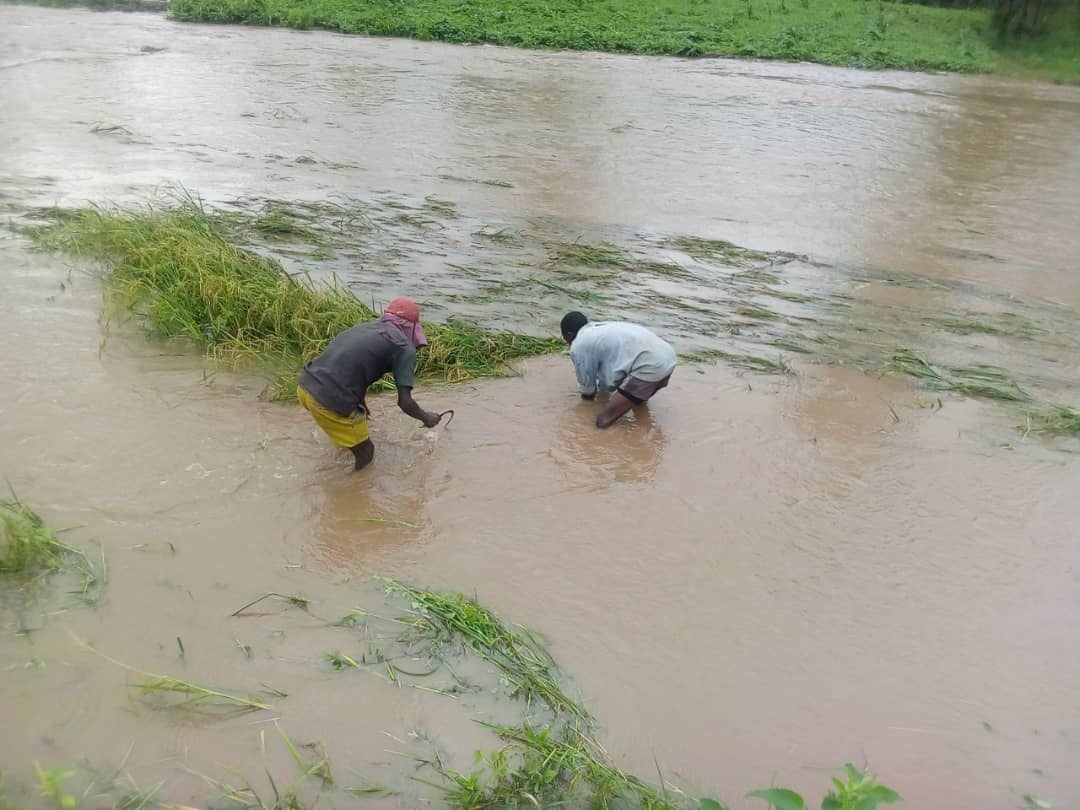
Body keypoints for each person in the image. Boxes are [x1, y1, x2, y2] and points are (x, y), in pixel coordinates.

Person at [298, 297, 443, 471]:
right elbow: (405, 402)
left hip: (305, 387)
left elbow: (350, 368)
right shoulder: (405, 347)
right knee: (367, 452)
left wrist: (362, 405)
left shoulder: (364, 328)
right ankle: (350, 495)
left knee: (353, 437)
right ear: (412, 328)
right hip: (328, 401)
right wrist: (427, 418)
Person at [560, 311, 677, 429]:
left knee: (603, 420)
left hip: (650, 366)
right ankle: (643, 435)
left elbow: (587, 389)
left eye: (566, 339)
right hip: (668, 357)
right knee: (638, 404)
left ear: (569, 335)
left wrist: (585, 407)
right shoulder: (601, 329)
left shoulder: (579, 344)